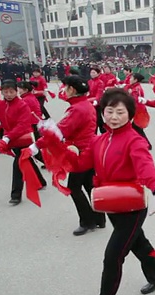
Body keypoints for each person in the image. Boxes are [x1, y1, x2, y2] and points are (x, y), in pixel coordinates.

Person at [42, 88, 155, 295]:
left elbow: (145, 166)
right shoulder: (98, 140)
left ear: (130, 115)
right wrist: (57, 145)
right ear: (102, 113)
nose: (113, 116)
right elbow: (81, 163)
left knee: (113, 257)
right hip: (110, 202)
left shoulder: (135, 140)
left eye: (119, 112)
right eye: (109, 111)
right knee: (138, 243)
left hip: (132, 206)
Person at [31, 75, 106, 235]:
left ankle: (87, 221)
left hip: (80, 152)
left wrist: (37, 144)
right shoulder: (84, 105)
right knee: (89, 185)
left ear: (72, 89)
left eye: (66, 88)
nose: (64, 90)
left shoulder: (77, 109)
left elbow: (59, 132)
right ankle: (99, 218)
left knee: (74, 187)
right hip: (89, 150)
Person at [0, 80, 47, 205]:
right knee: (28, 159)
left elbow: (23, 125)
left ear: (16, 91)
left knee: (18, 164)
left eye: (11, 91)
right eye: (5, 92)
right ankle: (41, 182)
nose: (8, 94)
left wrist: (7, 137)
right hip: (11, 137)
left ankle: (16, 194)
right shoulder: (0, 105)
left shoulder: (22, 105)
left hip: (23, 137)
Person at [125, 73, 152, 148]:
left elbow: (135, 100)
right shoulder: (133, 87)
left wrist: (129, 94)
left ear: (135, 80)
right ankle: (144, 143)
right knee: (136, 128)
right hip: (137, 110)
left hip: (139, 111)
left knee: (137, 128)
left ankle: (146, 144)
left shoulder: (137, 89)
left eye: (131, 78)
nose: (130, 80)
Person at [88, 67, 105, 134]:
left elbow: (99, 93)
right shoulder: (89, 82)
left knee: (96, 119)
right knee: (98, 120)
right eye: (91, 72)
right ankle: (104, 132)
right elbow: (87, 92)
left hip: (97, 103)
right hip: (90, 102)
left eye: (94, 72)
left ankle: (94, 134)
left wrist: (96, 100)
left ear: (98, 73)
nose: (92, 74)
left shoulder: (100, 82)